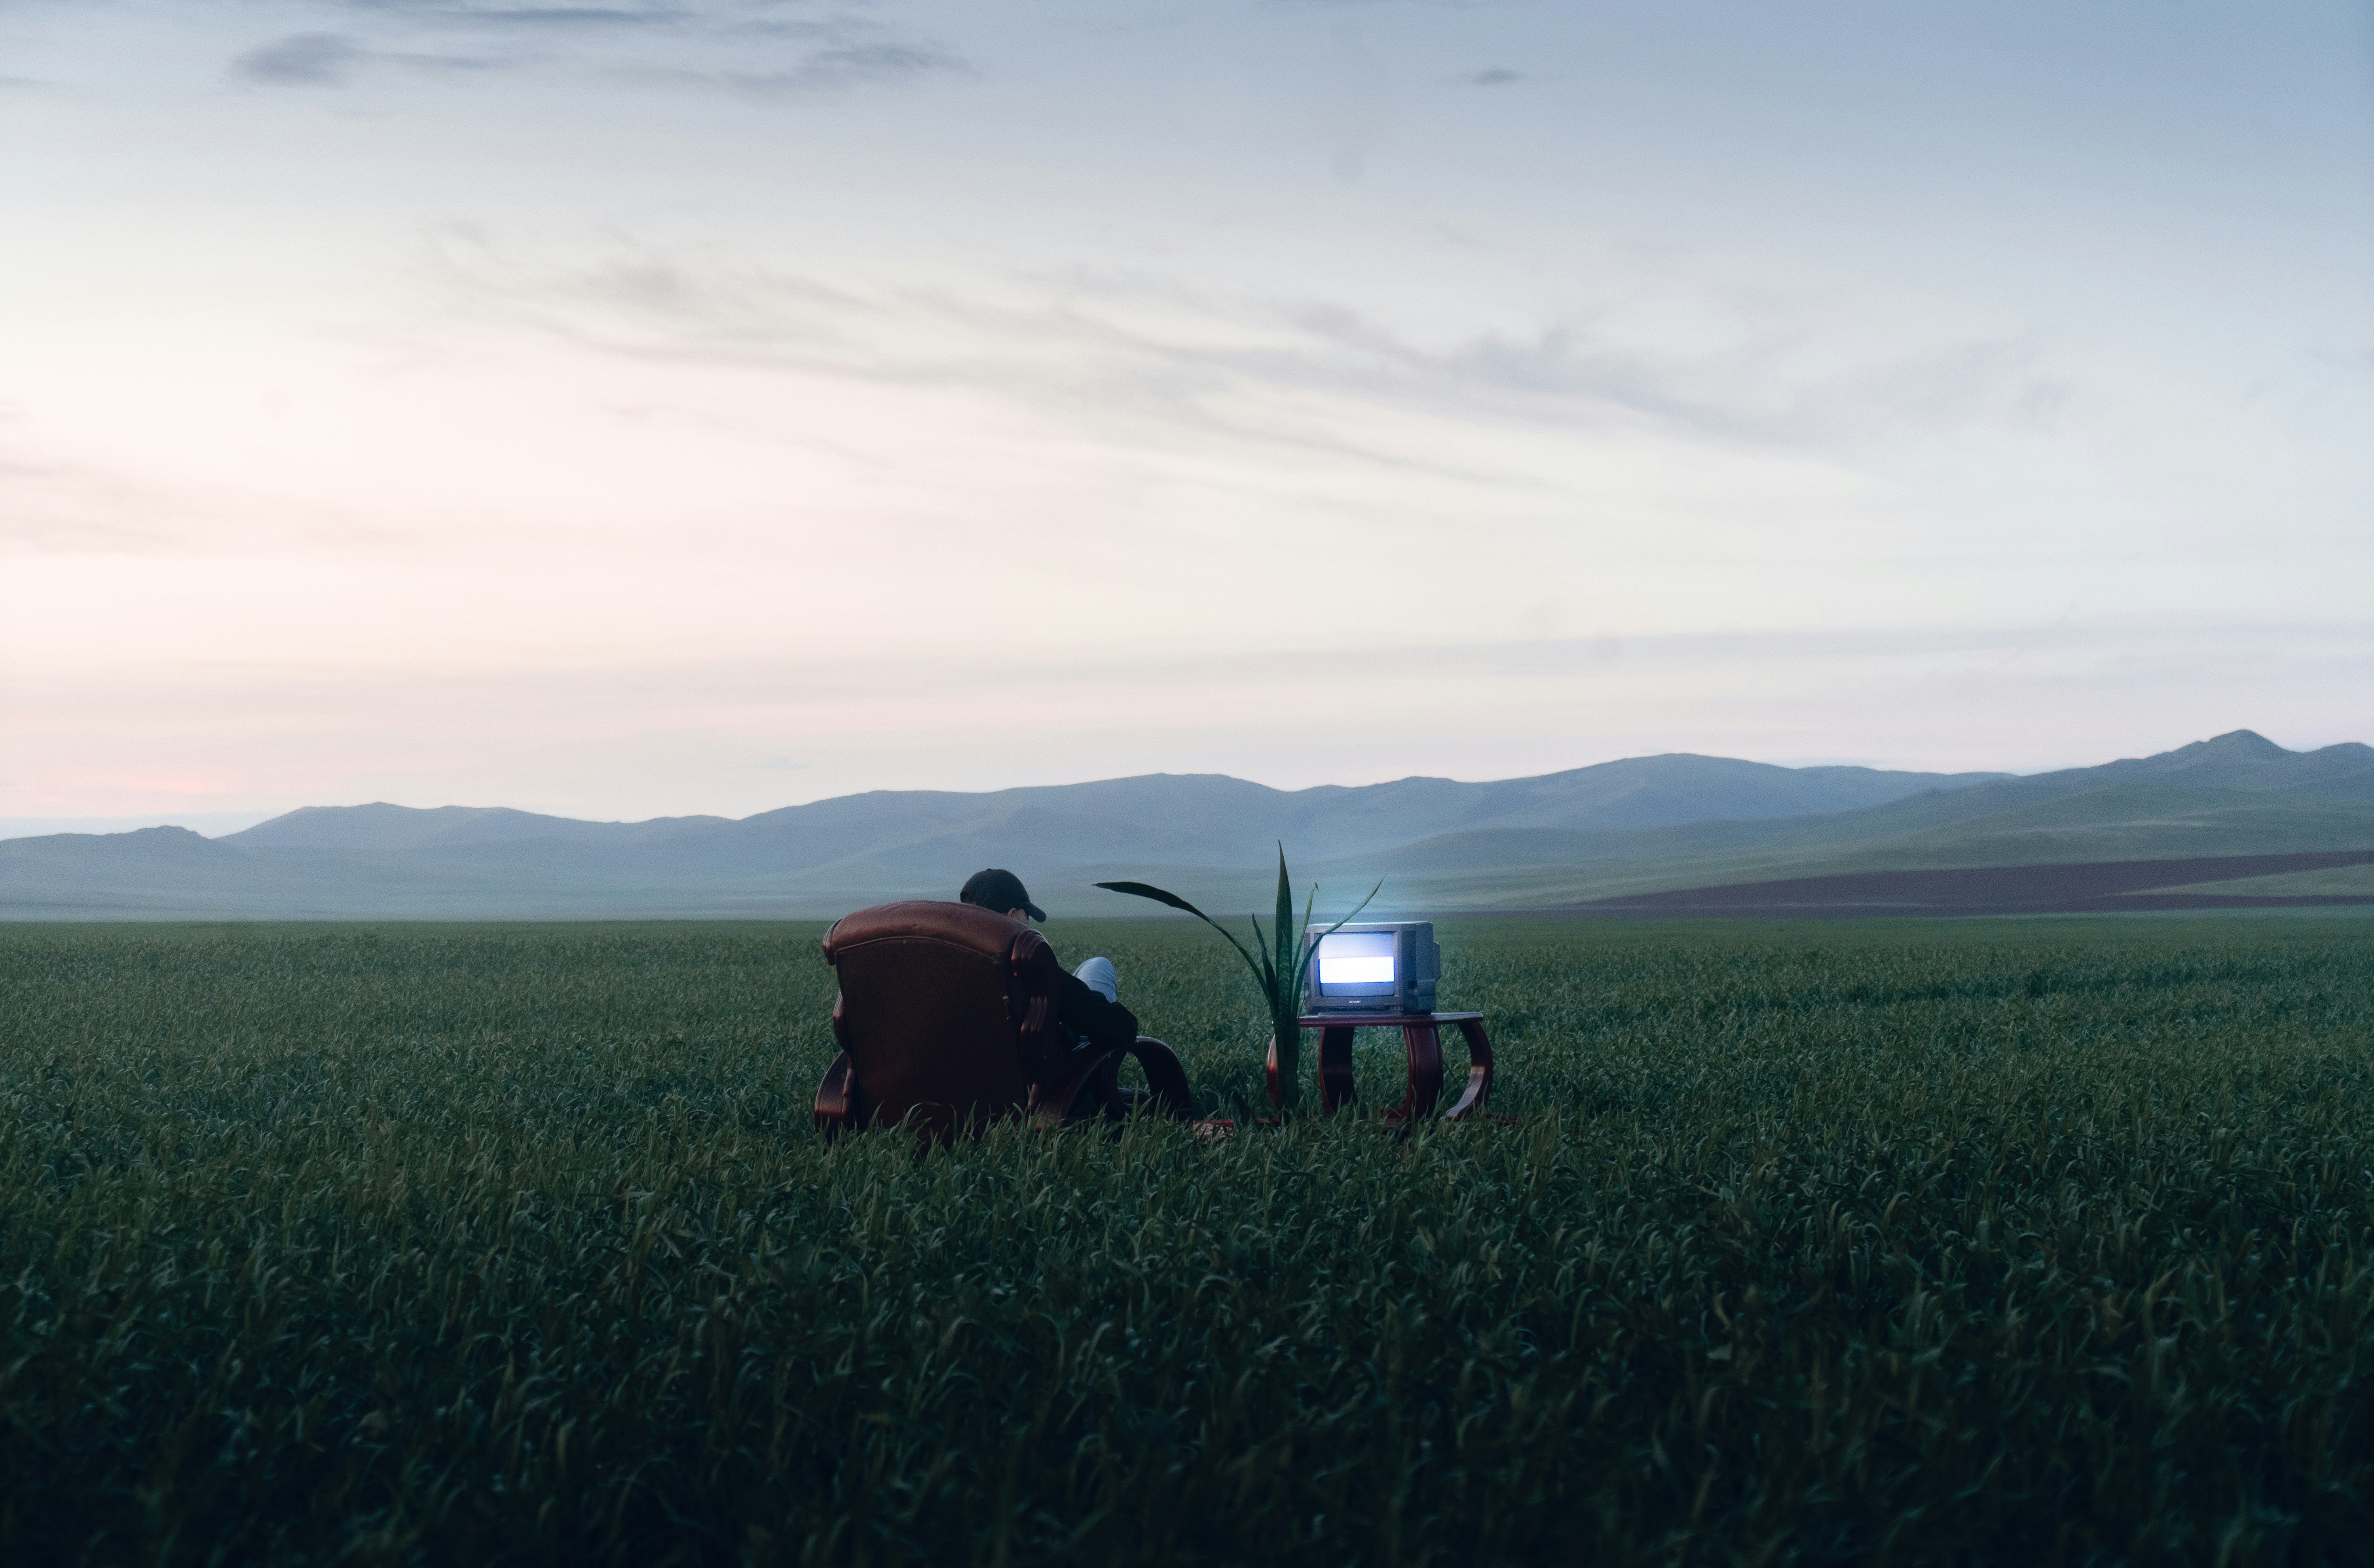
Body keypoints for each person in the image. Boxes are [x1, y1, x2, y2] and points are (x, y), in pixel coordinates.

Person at [958, 868, 1139, 1052]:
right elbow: (1122, 1029)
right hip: (1057, 1074)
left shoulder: (949, 970)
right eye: (1026, 916)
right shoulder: (1025, 967)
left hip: (970, 1073)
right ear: (1010, 915)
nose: (1028, 924)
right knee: (1100, 966)